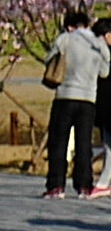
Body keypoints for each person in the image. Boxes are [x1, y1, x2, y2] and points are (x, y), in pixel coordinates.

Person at [43, 11, 109, 198]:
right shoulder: (97, 43)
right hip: (88, 100)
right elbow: (104, 72)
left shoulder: (65, 39)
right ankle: (84, 186)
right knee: (84, 144)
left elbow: (49, 60)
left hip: (65, 96)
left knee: (58, 143)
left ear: (70, 26)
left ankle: (56, 186)